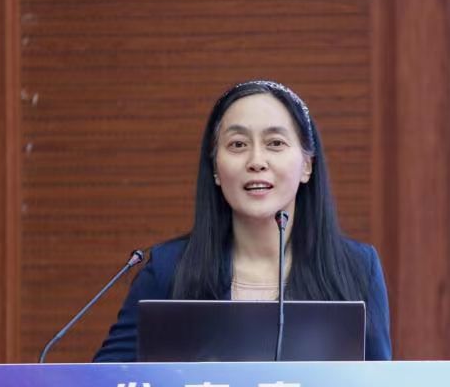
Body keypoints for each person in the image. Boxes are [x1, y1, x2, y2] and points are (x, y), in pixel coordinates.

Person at [93, 79, 391, 362]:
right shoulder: (168, 269)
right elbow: (104, 381)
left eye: (275, 143)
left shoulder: (356, 269)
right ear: (215, 168)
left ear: (307, 166)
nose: (256, 161)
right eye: (238, 145)